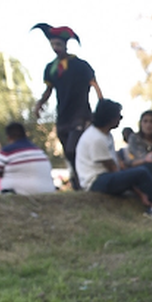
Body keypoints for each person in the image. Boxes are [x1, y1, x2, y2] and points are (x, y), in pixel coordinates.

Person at [76, 99, 152, 222]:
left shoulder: (106, 135)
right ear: (110, 118)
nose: (121, 119)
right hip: (95, 181)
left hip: (107, 175)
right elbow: (114, 170)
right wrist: (140, 193)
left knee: (150, 166)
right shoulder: (96, 139)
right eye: (119, 116)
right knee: (141, 172)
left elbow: (118, 163)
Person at [31, 24, 101, 191]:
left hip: (81, 113)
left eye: (58, 45)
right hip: (62, 115)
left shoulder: (80, 65)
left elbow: (94, 84)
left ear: (65, 45)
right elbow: (49, 90)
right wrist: (39, 104)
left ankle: (86, 181)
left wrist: (102, 106)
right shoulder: (51, 69)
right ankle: (77, 184)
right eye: (53, 45)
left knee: (73, 149)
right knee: (67, 151)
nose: (56, 48)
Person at [0, 122, 55, 195]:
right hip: (48, 191)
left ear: (8, 137)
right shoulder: (39, 151)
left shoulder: (7, 152)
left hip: (19, 194)